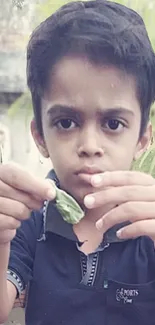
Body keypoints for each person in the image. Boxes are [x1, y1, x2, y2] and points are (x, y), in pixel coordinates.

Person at [0, 0, 155, 324]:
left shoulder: (148, 230)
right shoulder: (29, 223)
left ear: (143, 138)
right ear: (40, 136)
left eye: (113, 124)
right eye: (66, 122)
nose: (89, 146)